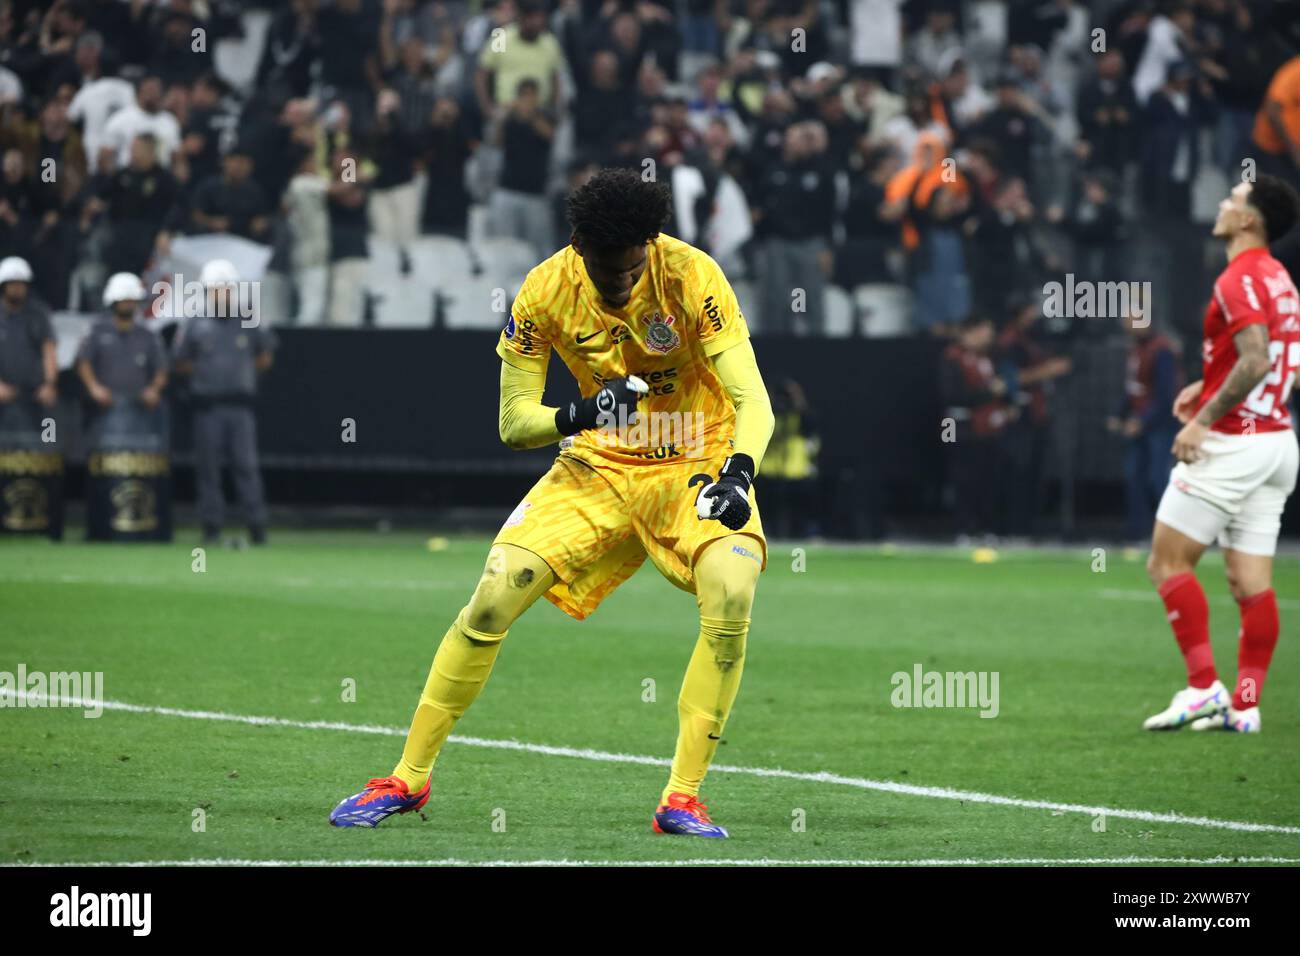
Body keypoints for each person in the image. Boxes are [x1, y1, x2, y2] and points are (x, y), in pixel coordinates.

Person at [330, 168, 775, 838]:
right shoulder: (543, 291)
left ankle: (681, 798)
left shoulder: (693, 275)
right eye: (605, 272)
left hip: (697, 461)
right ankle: (406, 779)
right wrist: (583, 410)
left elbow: (753, 401)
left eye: (631, 270)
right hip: (597, 464)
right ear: (578, 245)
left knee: (732, 592)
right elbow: (513, 424)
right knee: (493, 593)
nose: (620, 285)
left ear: (650, 245)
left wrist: (739, 475)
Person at [1143, 175, 1300, 734]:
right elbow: (1284, 365)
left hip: (1234, 443)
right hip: (1278, 441)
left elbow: (1255, 360)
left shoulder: (1239, 278)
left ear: (1250, 220)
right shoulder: (1281, 280)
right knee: (1250, 583)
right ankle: (1246, 705)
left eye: (1233, 199)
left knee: (1166, 561)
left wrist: (1206, 418)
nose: (1223, 204)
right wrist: (1206, 386)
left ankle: (1202, 688)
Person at [171, 259, 276, 546]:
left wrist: (241, 376)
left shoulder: (249, 317)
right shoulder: (194, 322)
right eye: (216, 289)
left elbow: (265, 355)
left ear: (234, 290)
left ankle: (257, 527)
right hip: (207, 407)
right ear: (207, 292)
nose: (222, 294)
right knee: (208, 470)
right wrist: (207, 375)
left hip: (240, 407)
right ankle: (211, 527)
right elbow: (180, 361)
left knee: (246, 466)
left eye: (226, 289)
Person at [1107, 313, 1181, 543]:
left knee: (1159, 477)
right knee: (1135, 476)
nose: (1126, 324)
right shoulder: (1135, 349)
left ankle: (1176, 532)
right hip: (1141, 425)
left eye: (1131, 319)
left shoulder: (1162, 350)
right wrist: (1119, 415)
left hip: (1161, 426)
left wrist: (1143, 421)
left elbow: (1165, 395)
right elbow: (1134, 389)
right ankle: (1137, 532)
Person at [75, 272, 167, 444]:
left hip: (140, 406)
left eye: (132, 300)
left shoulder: (148, 333)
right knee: (105, 456)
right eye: (124, 301)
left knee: (140, 458)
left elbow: (161, 367)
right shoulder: (96, 329)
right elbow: (83, 362)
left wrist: (154, 389)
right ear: (113, 301)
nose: (128, 305)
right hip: (103, 407)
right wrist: (94, 388)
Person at [0, 256, 57, 436]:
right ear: (3, 286)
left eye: (21, 284)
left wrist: (49, 384)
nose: (17, 288)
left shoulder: (38, 313)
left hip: (34, 395)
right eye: (13, 284)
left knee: (37, 447)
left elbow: (49, 350)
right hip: (2, 393)